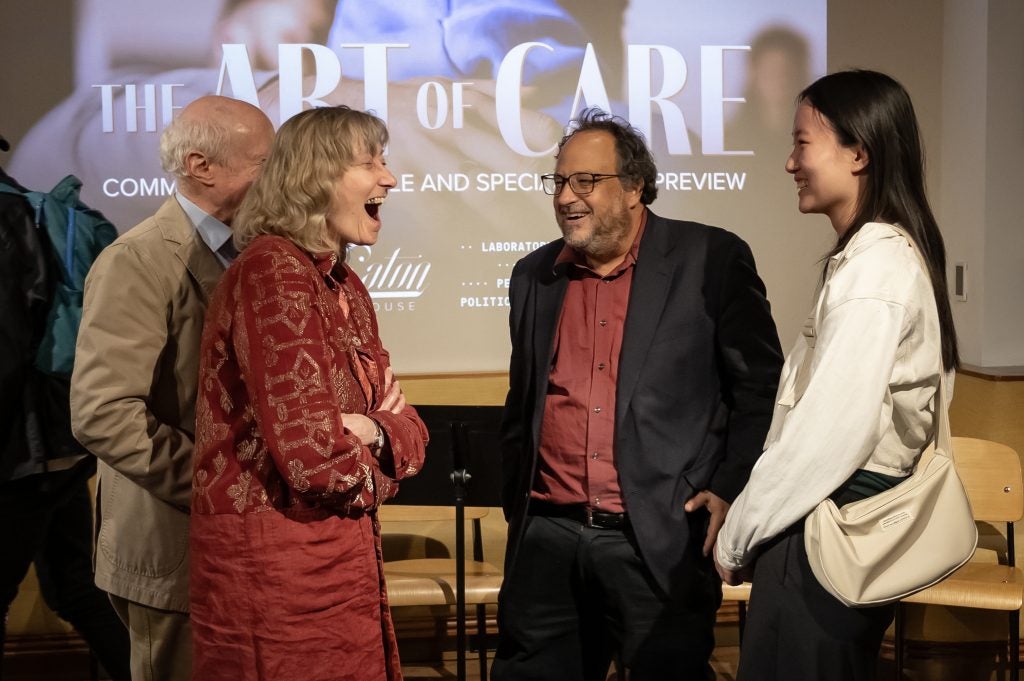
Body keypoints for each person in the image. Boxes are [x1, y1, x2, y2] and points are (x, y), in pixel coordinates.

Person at [495, 108, 783, 680]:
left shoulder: (711, 259)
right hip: (548, 537)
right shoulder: (534, 275)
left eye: (586, 181)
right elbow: (523, 402)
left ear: (635, 189)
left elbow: (761, 388)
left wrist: (729, 487)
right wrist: (520, 512)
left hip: (656, 538)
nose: (566, 197)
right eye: (559, 182)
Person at [715, 69, 960, 680]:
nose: (790, 162)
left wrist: (739, 534)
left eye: (803, 143)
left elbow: (830, 432)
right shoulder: (871, 257)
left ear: (859, 153)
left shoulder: (876, 266)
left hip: (826, 531)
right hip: (824, 527)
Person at [189, 105, 428, 681]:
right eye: (368, 162)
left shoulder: (345, 281)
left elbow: (411, 431)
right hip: (275, 567)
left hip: (338, 551)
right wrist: (381, 436)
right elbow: (315, 459)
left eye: (385, 160)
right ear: (313, 176)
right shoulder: (273, 269)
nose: (388, 178)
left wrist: (372, 428)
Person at [70, 95, 274, 681]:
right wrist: (220, 484)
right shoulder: (135, 261)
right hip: (173, 552)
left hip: (240, 546)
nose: (279, 179)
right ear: (200, 165)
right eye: (264, 162)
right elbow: (103, 413)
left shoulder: (255, 253)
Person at [0, 162, 130, 681]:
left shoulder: (8, 219)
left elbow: (6, 352)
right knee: (78, 588)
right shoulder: (37, 210)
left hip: (19, 452)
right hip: (63, 442)